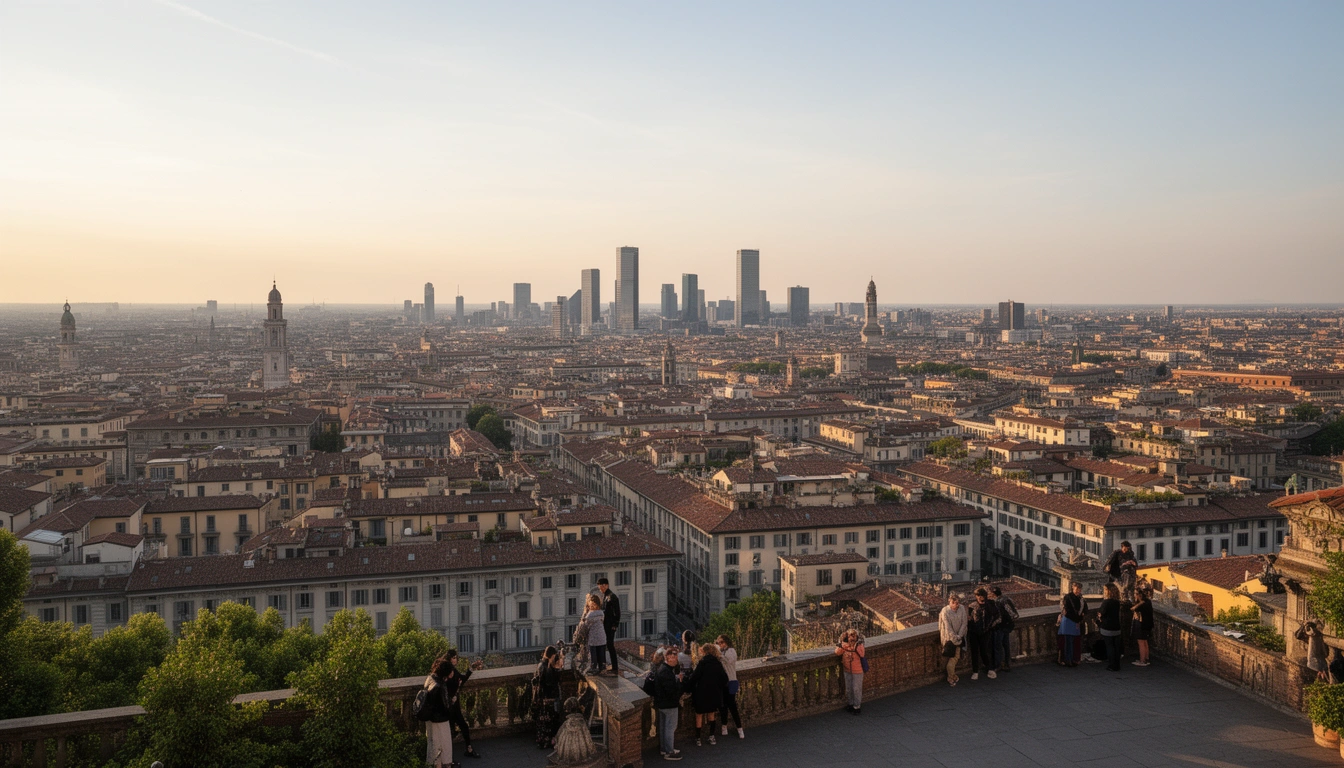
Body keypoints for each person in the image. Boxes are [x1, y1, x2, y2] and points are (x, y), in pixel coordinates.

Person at [438, 649, 485, 759]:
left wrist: (471, 668)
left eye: (456, 657)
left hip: (454, 705)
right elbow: (446, 686)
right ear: (449, 659)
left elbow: (461, 679)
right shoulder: (446, 671)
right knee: (451, 730)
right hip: (449, 706)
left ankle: (468, 749)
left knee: (461, 727)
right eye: (454, 658)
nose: (456, 660)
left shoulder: (453, 670)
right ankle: (447, 756)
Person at [684, 642, 728, 746]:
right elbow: (724, 679)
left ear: (704, 652)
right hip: (714, 693)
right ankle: (711, 736)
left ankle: (698, 738)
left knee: (699, 715)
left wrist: (687, 687)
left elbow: (694, 678)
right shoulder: (717, 663)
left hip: (701, 693)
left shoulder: (702, 663)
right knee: (711, 714)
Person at [646, 647, 684, 760]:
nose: (676, 659)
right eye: (673, 657)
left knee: (663, 727)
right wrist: (680, 682)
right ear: (667, 657)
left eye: (676, 656)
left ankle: (664, 749)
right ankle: (669, 752)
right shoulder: (667, 672)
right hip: (669, 704)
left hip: (661, 703)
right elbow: (673, 691)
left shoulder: (662, 669)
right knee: (670, 728)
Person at [423, 655, 458, 768]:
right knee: (444, 744)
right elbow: (446, 705)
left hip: (429, 718)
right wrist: (452, 700)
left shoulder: (430, 679)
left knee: (433, 743)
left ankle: (434, 764)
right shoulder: (440, 686)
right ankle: (444, 765)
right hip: (440, 719)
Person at [533, 645, 565, 749]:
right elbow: (551, 681)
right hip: (549, 697)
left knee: (543, 720)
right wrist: (558, 667)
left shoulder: (541, 664)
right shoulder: (547, 667)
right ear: (551, 655)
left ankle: (542, 740)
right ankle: (549, 741)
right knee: (550, 720)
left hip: (542, 697)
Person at [967, 587, 1001, 681]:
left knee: (985, 651)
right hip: (974, 632)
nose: (980, 597)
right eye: (978, 596)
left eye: (981, 595)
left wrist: (990, 626)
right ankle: (975, 671)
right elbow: (969, 619)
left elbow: (998, 617)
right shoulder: (972, 606)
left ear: (985, 596)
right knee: (974, 652)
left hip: (986, 632)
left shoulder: (991, 604)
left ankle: (989, 668)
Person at [716, 635, 744, 738]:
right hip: (723, 682)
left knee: (732, 705)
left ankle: (739, 728)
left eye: (722, 642)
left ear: (727, 642)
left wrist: (719, 655)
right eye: (719, 642)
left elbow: (730, 660)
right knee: (723, 706)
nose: (720, 644)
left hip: (731, 681)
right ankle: (724, 726)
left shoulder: (731, 651)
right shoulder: (720, 652)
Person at [938, 594, 968, 687]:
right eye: (953, 602)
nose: (956, 604)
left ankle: (952, 676)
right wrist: (955, 637)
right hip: (949, 638)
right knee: (953, 657)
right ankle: (951, 677)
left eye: (957, 602)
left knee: (955, 657)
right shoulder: (945, 611)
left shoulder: (962, 608)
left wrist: (960, 635)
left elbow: (964, 622)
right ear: (949, 602)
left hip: (959, 637)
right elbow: (947, 627)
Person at [834, 629, 866, 714]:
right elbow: (837, 652)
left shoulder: (859, 645)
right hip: (847, 670)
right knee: (848, 688)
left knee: (856, 689)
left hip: (857, 671)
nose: (851, 638)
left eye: (853, 635)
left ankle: (857, 706)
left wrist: (856, 644)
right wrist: (843, 643)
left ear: (856, 636)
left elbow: (862, 654)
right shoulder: (845, 646)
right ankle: (850, 704)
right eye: (849, 636)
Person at [1058, 582, 1086, 667]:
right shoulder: (1068, 597)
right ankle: (1068, 660)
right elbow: (1068, 611)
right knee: (1068, 641)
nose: (1078, 590)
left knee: (1074, 641)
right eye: (1077, 589)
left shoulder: (1080, 598)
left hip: (1075, 621)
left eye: (1080, 589)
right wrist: (1077, 620)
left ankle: (1072, 659)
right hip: (1069, 621)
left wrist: (1079, 619)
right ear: (1072, 588)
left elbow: (1085, 608)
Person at [597, 578, 621, 676]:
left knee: (610, 645)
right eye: (600, 587)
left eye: (602, 587)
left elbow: (617, 612)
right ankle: (613, 666)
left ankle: (615, 667)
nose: (601, 589)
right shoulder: (607, 596)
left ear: (606, 585)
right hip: (607, 624)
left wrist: (615, 624)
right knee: (608, 645)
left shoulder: (612, 597)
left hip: (610, 625)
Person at [991, 586, 1018, 672]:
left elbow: (999, 617)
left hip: (1001, 626)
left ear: (994, 594)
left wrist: (992, 624)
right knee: (1006, 645)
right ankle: (1007, 663)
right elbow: (1014, 614)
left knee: (998, 646)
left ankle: (998, 665)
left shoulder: (997, 602)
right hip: (1008, 626)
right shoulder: (1007, 599)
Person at [1098, 582, 1123, 671]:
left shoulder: (1106, 602)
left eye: (1105, 589)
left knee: (1109, 646)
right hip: (1116, 626)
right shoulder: (1117, 602)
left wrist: (1099, 617)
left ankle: (1112, 665)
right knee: (1116, 647)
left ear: (1108, 591)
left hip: (1107, 627)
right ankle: (1117, 665)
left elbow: (1102, 613)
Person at [582, 594, 608, 675]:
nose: (592, 606)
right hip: (602, 638)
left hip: (593, 639)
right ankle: (602, 668)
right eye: (591, 605)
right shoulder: (602, 613)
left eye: (593, 605)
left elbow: (585, 626)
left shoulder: (590, 615)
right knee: (601, 655)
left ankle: (594, 668)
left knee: (594, 656)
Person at [1130, 586, 1153, 667]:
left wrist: (1138, 602)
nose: (1134, 595)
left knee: (1141, 642)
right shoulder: (1148, 602)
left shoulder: (1141, 604)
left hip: (1141, 625)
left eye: (1135, 594)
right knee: (1145, 642)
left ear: (1139, 595)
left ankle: (1142, 660)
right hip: (1148, 625)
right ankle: (1146, 658)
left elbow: (1132, 609)